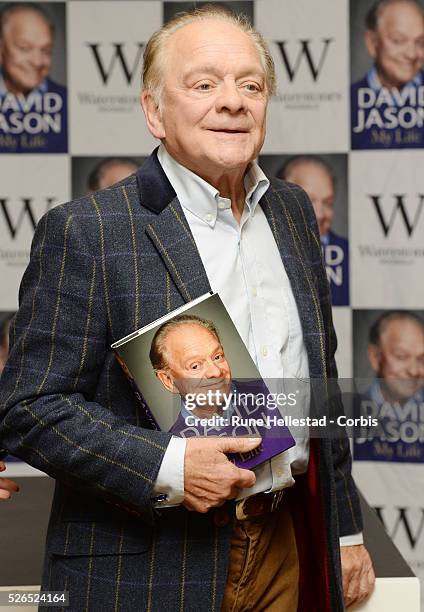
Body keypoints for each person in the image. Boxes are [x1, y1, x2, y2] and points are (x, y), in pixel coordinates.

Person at [0, 6, 374, 611]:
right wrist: (169, 464)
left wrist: (345, 531)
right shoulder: (88, 232)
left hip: (282, 544)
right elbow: (28, 409)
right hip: (148, 567)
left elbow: (319, 377)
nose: (233, 102)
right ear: (154, 111)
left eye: (250, 86)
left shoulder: (293, 212)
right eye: (204, 84)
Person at [351, 0, 424, 149]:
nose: (411, 54)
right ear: (372, 43)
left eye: (421, 42)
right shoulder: (347, 103)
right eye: (398, 40)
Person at [279, 156, 349, 306]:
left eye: (328, 203)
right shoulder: (260, 247)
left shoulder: (348, 257)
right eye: (308, 201)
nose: (320, 214)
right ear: (279, 200)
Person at [0, 2, 67, 152]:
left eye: (46, 50)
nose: (37, 62)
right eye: (24, 48)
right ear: (1, 48)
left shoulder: (68, 106)